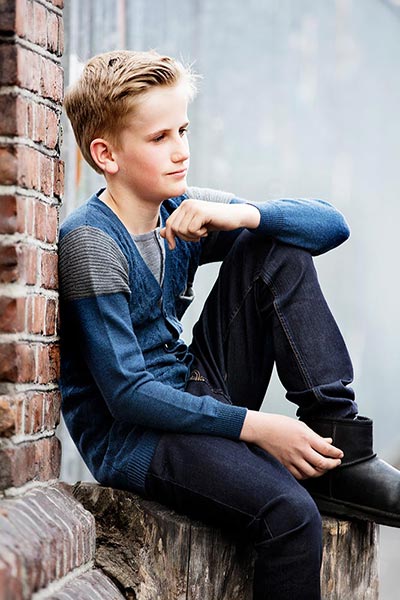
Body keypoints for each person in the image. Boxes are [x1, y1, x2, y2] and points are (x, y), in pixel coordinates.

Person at [59, 50, 400, 600]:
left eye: (183, 130)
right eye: (159, 137)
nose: (181, 151)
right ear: (106, 154)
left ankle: (340, 446)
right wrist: (260, 427)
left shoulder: (179, 208)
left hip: (191, 387)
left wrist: (246, 214)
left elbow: (331, 226)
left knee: (276, 248)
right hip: (137, 438)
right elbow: (127, 394)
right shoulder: (91, 243)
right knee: (291, 517)